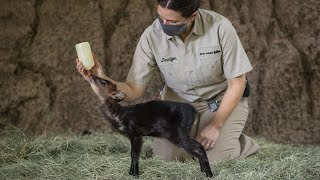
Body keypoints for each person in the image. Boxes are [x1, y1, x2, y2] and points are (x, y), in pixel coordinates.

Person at [76, 0, 259, 163]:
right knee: (168, 159)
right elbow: (132, 90)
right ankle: (203, 134)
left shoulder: (220, 27)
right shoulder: (151, 36)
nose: (164, 25)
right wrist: (99, 78)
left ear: (192, 16)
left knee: (214, 159)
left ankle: (238, 142)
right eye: (161, 18)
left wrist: (215, 126)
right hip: (178, 106)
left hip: (219, 102)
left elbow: (237, 83)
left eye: (172, 22)